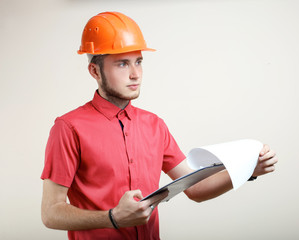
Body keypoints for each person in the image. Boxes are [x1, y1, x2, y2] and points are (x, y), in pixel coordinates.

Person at [41, 11, 278, 240]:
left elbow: (195, 188)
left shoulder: (154, 125)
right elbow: (51, 213)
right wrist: (112, 218)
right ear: (95, 70)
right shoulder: (68, 128)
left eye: (138, 62)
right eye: (122, 64)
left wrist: (248, 169)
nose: (136, 74)